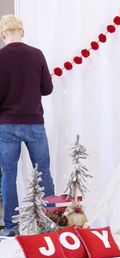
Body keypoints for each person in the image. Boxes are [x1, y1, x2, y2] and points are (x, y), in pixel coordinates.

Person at [0, 15, 54, 236]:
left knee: (8, 175)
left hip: (6, 125)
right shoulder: (36, 54)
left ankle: (11, 227)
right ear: (22, 32)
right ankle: (50, 222)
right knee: (43, 173)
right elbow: (47, 89)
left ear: (3, 34)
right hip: (34, 123)